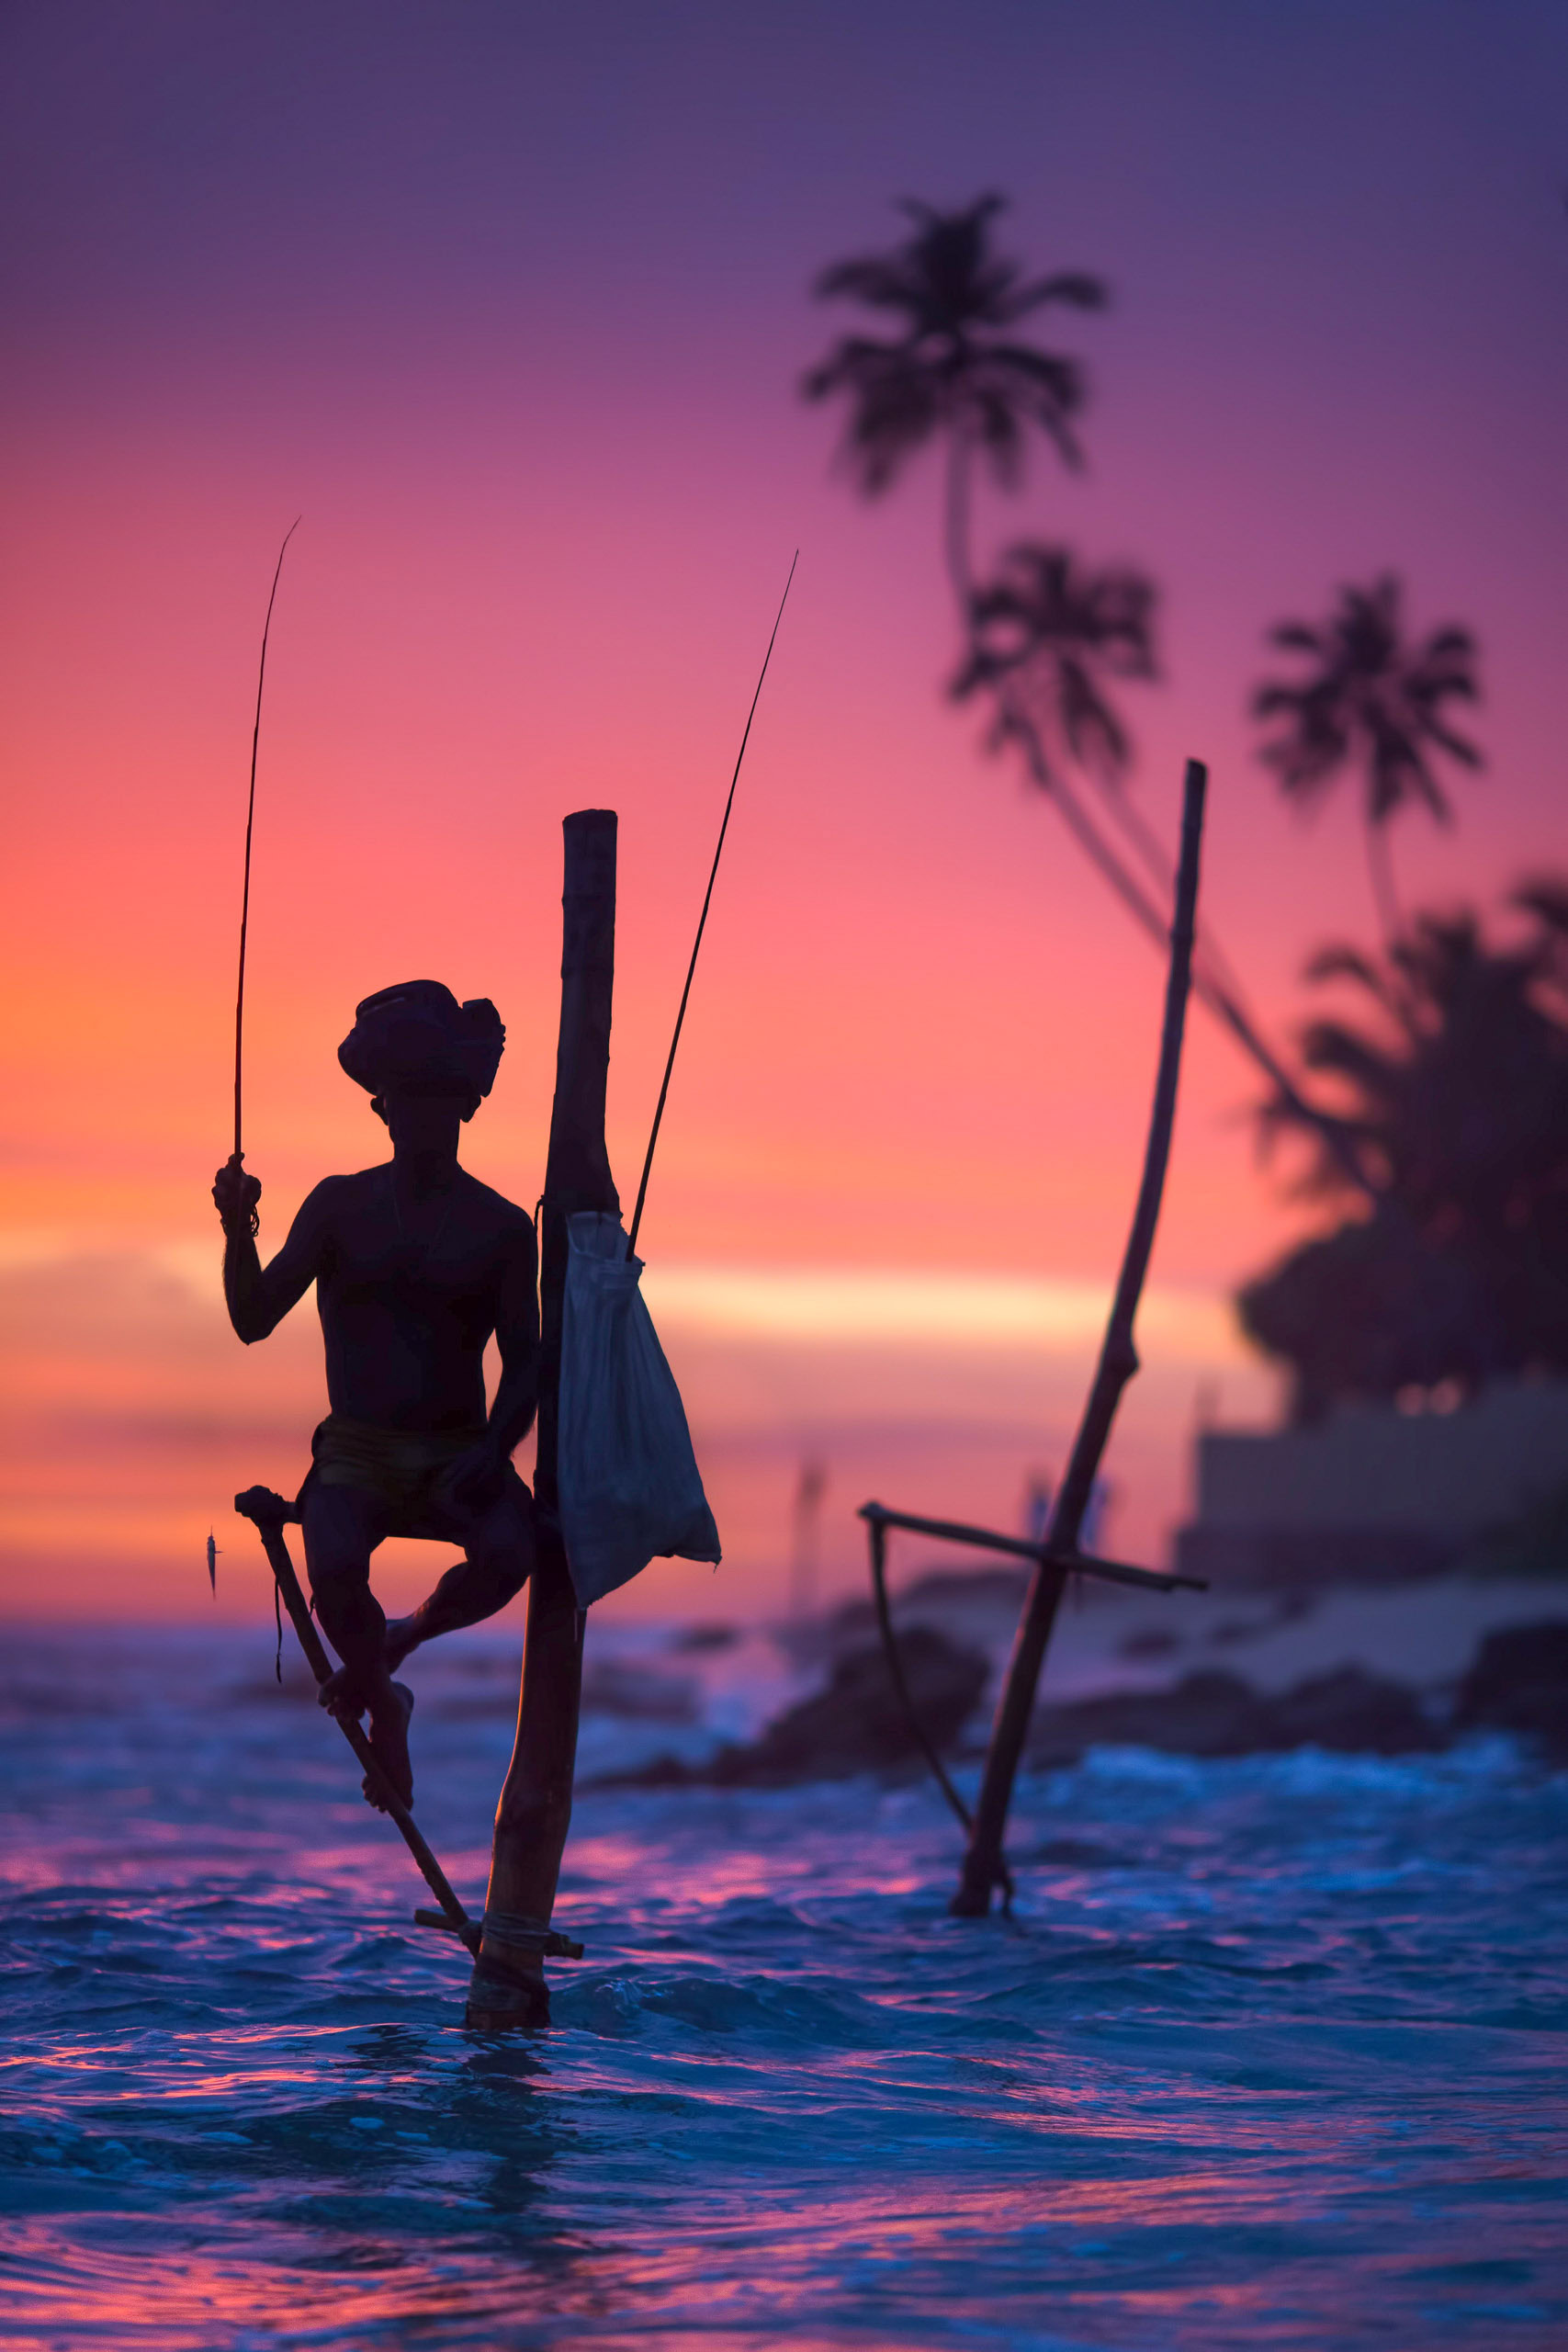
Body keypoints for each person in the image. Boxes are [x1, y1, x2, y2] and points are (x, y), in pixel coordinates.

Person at [213, 980, 538, 1812]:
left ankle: (402, 1640)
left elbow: (525, 1363)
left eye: (438, 1100)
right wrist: (237, 1229)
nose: (420, 1117)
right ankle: (384, 1704)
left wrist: (494, 1451)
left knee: (510, 1552)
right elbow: (253, 1320)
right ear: (381, 1110)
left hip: (460, 1448)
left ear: (463, 1109)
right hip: (355, 1448)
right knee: (334, 1573)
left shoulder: (501, 1228)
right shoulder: (338, 1205)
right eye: (404, 1101)